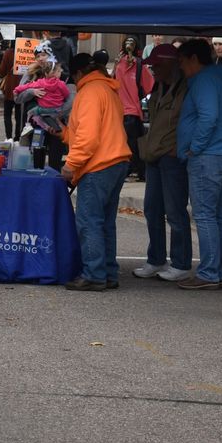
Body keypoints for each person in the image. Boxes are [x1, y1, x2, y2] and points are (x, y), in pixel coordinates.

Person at [58, 53, 132, 292]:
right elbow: (99, 129)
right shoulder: (108, 90)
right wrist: (64, 133)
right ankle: (107, 272)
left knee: (89, 221)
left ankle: (94, 274)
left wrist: (71, 164)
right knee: (105, 222)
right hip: (117, 160)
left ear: (79, 74)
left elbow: (88, 138)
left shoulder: (89, 93)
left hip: (98, 164)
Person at [176, 39, 222, 290]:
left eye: (182, 62)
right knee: (217, 214)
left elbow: (208, 116)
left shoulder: (203, 81)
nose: (180, 68)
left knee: (204, 214)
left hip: (208, 155)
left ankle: (209, 272)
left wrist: (195, 146)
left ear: (193, 59)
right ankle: (218, 270)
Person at [134, 43, 191, 282]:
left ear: (171, 64)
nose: (153, 70)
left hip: (172, 156)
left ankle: (181, 263)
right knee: (152, 209)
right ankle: (156, 259)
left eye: (157, 65)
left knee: (176, 212)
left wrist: (180, 148)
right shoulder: (159, 86)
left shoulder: (187, 88)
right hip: (154, 154)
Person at [114, 36, 154, 181]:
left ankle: (128, 170)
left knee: (124, 144)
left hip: (119, 111)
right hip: (133, 111)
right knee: (135, 144)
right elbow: (150, 86)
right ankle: (138, 172)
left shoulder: (118, 64)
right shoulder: (139, 65)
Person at [14, 61, 69, 132]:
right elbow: (66, 94)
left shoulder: (40, 83)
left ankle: (29, 127)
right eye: (59, 71)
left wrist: (16, 89)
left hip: (43, 109)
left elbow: (27, 86)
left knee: (30, 113)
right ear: (55, 73)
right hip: (58, 109)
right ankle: (61, 127)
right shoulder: (61, 84)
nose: (61, 72)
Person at [0, 40, 21, 140]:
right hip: (22, 88)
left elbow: (2, 71)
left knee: (7, 115)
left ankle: (9, 137)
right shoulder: (25, 54)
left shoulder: (8, 53)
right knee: (19, 115)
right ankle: (18, 137)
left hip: (9, 88)